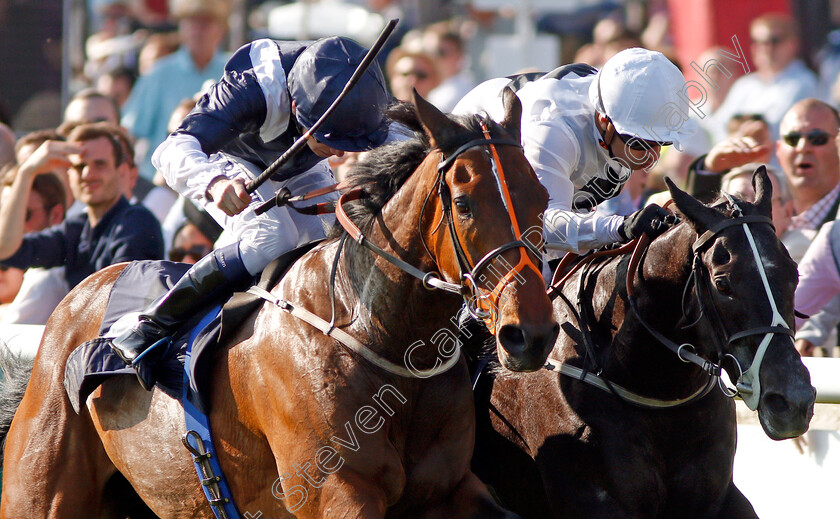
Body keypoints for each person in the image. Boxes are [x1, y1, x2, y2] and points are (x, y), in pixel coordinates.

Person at [110, 35, 395, 389]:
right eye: (332, 143)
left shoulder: (363, 94)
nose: (338, 157)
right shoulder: (249, 88)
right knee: (274, 237)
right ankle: (153, 324)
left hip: (293, 163)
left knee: (326, 241)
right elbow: (171, 149)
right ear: (295, 109)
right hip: (227, 158)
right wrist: (214, 183)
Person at [453, 47, 696, 261]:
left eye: (661, 143)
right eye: (641, 144)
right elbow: (541, 226)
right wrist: (621, 227)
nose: (652, 158)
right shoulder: (553, 131)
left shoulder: (617, 117)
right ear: (604, 121)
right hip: (478, 176)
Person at [0, 122, 164, 290]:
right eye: (79, 166)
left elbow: (120, 297)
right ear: (69, 175)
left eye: (100, 164)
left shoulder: (137, 222)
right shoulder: (76, 229)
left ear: (121, 171)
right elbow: (7, 251)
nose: (88, 174)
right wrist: (26, 173)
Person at [121, 0, 230, 181]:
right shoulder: (160, 73)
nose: (197, 30)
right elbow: (131, 131)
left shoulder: (234, 71)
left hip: (223, 182)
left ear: (221, 28)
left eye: (205, 23)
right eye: (191, 22)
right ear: (181, 27)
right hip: (165, 183)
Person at [706, 13, 819, 143]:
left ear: (792, 43)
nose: (765, 48)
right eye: (757, 41)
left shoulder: (804, 83)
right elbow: (717, 126)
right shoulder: (745, 84)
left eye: (774, 40)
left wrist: (737, 126)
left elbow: (776, 129)